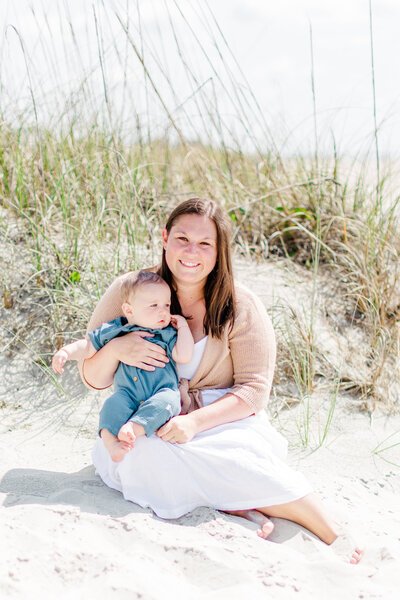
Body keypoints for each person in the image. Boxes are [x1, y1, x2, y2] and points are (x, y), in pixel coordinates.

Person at [80, 197, 363, 564]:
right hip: (148, 420)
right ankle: (237, 504)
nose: (191, 252)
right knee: (138, 455)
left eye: (205, 244)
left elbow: (254, 390)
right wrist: (116, 350)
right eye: (181, 239)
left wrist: (193, 422)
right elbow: (91, 376)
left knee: (232, 461)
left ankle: (323, 524)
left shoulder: (240, 305)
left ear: (219, 251)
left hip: (219, 420)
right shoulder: (130, 290)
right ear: (165, 237)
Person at [53, 270, 194, 462]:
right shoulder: (116, 329)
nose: (163, 311)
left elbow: (184, 356)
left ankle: (134, 427)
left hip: (161, 390)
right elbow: (88, 346)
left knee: (168, 402)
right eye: (154, 305)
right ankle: (111, 443)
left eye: (166, 305)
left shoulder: (167, 334)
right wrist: (66, 352)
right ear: (129, 310)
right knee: (111, 406)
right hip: (127, 394)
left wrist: (183, 327)